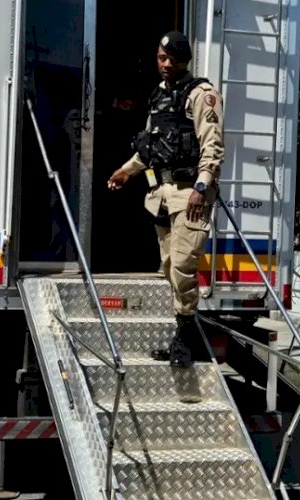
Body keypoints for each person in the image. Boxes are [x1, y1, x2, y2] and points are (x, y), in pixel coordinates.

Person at [107, 31, 224, 367]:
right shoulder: (158, 97)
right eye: (162, 58)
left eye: (173, 59)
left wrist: (202, 188)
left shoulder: (202, 95)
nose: (167, 64)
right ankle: (180, 336)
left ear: (185, 60)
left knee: (185, 267)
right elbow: (151, 148)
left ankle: (186, 339)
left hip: (191, 194)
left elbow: (213, 147)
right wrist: (125, 171)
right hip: (162, 194)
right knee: (169, 268)